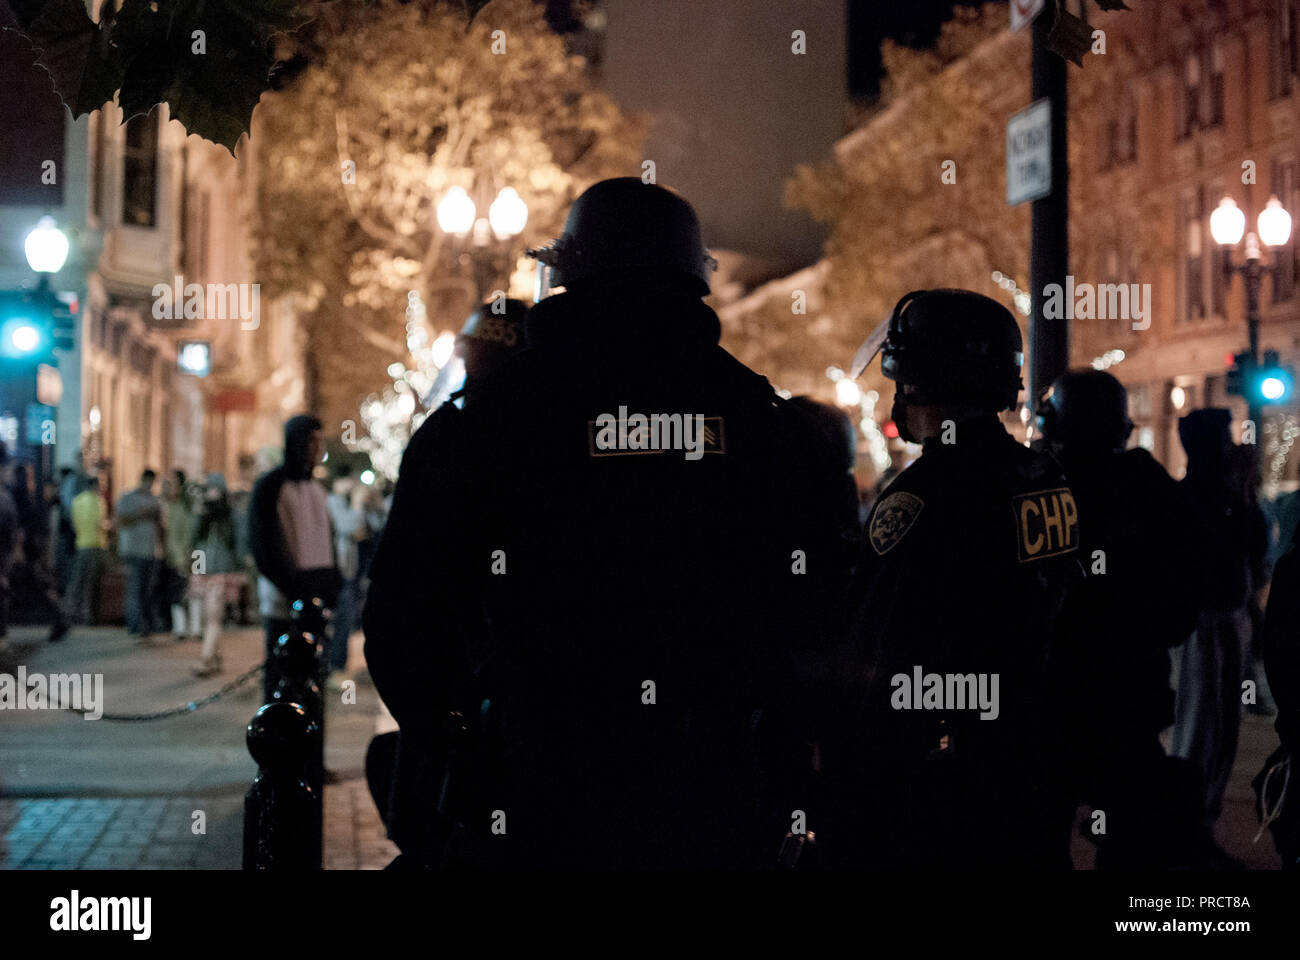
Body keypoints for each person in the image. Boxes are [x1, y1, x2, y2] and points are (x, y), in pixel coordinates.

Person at [363, 180, 850, 869]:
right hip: (712, 797)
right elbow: (823, 616)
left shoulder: (482, 423)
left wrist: (463, 746)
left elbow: (403, 621)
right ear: (692, 277)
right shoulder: (765, 423)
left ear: (567, 274)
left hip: (532, 794)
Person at [828, 288, 1081, 870]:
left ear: (920, 383)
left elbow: (879, 649)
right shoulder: (1043, 475)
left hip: (948, 781)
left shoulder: (925, 494)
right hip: (1032, 753)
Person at [1037, 369, 1204, 867]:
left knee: (1042, 834)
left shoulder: (1036, 486)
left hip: (1050, 697)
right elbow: (1185, 599)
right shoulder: (1149, 487)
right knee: (1134, 840)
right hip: (1130, 694)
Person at [1171, 409, 1268, 846]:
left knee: (1220, 723)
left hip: (1225, 615)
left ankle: (1198, 822)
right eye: (1224, 436)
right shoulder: (1197, 497)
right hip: (1204, 619)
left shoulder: (1222, 496)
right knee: (1201, 724)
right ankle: (1186, 826)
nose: (1231, 445)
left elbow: (1253, 551)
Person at [249, 415, 340, 702]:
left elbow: (326, 542)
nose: (317, 447)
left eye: (319, 440)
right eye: (311, 440)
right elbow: (264, 547)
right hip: (283, 603)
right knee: (282, 684)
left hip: (316, 602)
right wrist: (294, 587)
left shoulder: (317, 489)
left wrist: (329, 587)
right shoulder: (270, 486)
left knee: (312, 686)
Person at [8, 461, 70, 642]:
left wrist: (19, 548)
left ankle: (59, 618)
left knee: (35, 584)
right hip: (30, 548)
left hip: (26, 549)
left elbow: (20, 526)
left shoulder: (22, 496)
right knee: (36, 583)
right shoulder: (31, 497)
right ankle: (59, 618)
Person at [190, 475, 243, 677]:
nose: (210, 493)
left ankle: (205, 660)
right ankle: (216, 658)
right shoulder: (203, 516)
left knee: (213, 617)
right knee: (209, 618)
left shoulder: (232, 516)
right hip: (204, 572)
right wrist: (197, 570)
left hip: (222, 573)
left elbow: (238, 543)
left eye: (214, 489)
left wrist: (238, 569)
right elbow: (195, 543)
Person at [326, 465, 364, 690]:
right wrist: (358, 503)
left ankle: (336, 667)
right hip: (338, 573)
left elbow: (372, 525)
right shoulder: (333, 501)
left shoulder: (344, 502)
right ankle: (335, 669)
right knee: (341, 621)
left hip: (348, 571)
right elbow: (348, 526)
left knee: (345, 620)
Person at [116, 468, 163, 640]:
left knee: (147, 590)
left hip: (149, 551)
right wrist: (142, 514)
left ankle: (147, 625)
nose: (150, 485)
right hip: (132, 550)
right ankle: (134, 625)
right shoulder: (128, 498)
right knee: (134, 589)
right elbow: (121, 520)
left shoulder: (154, 500)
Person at [65, 474, 108, 626]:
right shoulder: (98, 501)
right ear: (95, 486)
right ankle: (87, 614)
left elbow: (73, 524)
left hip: (80, 544)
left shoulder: (77, 501)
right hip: (95, 545)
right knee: (90, 583)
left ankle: (70, 613)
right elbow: (100, 523)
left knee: (77, 581)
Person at [161, 470, 199, 641]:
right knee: (189, 591)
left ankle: (184, 628)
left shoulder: (180, 509)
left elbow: (174, 536)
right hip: (194, 555)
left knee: (183, 591)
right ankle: (190, 627)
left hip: (188, 556)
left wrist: (178, 556)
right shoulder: (187, 509)